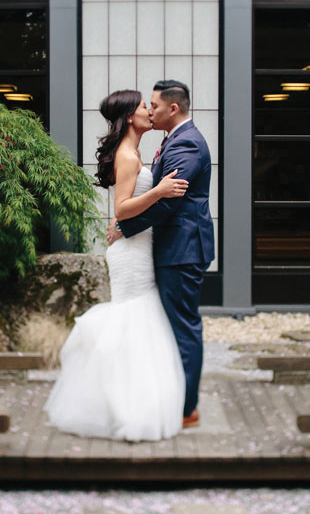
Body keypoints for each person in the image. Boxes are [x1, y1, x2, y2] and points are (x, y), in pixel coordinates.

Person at [43, 89, 191, 441]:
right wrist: (159, 190)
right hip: (130, 253)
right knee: (134, 320)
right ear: (129, 117)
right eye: (144, 107)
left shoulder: (134, 152)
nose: (150, 112)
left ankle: (127, 403)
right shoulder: (127, 155)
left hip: (137, 246)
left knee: (138, 321)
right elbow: (122, 209)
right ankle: (127, 409)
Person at [107, 80, 215, 429]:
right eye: (144, 105)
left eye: (153, 105)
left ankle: (186, 409)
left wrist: (125, 227)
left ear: (173, 108)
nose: (149, 110)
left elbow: (169, 200)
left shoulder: (187, 144)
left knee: (182, 327)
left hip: (181, 249)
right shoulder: (168, 141)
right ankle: (160, 398)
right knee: (155, 325)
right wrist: (125, 222)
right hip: (165, 248)